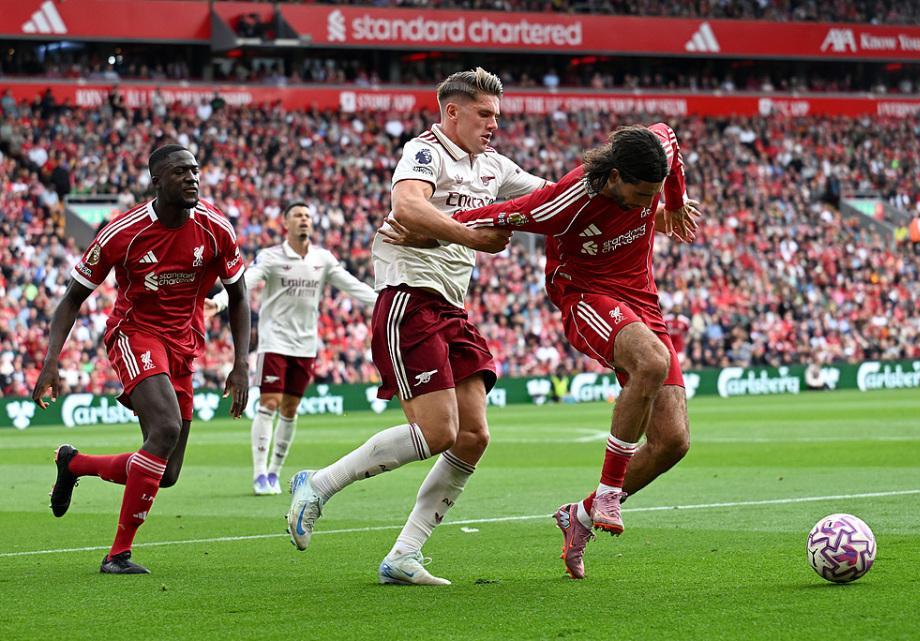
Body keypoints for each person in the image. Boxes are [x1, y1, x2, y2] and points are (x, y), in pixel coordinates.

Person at [285, 67, 547, 585]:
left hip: (451, 309)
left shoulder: (494, 166)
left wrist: (638, 200)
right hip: (408, 299)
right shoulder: (425, 152)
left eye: (496, 115)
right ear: (452, 112)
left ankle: (404, 555)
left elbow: (552, 197)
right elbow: (407, 206)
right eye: (484, 114)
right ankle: (318, 484)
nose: (494, 124)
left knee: (472, 436)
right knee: (438, 431)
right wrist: (473, 236)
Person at [437, 124, 700, 579]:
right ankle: (610, 492)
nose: (647, 204)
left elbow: (672, 141)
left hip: (642, 299)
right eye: (641, 196)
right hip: (585, 295)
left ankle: (580, 515)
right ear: (614, 176)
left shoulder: (654, 152)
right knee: (652, 361)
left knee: (673, 442)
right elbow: (495, 214)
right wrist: (420, 224)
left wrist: (674, 202)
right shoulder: (567, 200)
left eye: (652, 195)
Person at [31, 144, 250, 575]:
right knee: (166, 428)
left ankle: (74, 463)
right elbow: (72, 299)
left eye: (195, 170)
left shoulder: (216, 228)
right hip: (135, 335)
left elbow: (239, 296)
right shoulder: (123, 232)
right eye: (180, 171)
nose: (192, 178)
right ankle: (117, 555)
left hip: (184, 344)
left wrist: (241, 361)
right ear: (157, 181)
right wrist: (51, 360)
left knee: (166, 473)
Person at [205, 202, 376, 495]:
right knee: (269, 402)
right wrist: (219, 302)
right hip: (274, 341)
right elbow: (245, 282)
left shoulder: (323, 259)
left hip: (306, 344)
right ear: (286, 223)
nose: (304, 219)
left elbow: (352, 285)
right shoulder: (271, 257)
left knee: (290, 408)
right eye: (298, 215)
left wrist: (384, 302)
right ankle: (260, 474)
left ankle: (274, 472)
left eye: (308, 215)